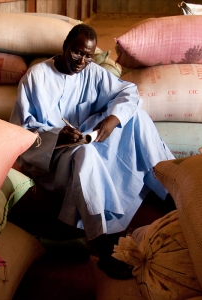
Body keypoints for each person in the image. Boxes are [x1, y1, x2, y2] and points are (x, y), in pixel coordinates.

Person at [10, 24, 175, 279]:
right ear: (66, 47)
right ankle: (102, 244)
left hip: (86, 138)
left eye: (88, 55)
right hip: (52, 156)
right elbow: (21, 132)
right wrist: (57, 135)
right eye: (77, 53)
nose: (82, 61)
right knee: (84, 155)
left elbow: (128, 92)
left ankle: (170, 192)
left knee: (137, 118)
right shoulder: (36, 78)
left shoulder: (94, 72)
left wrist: (112, 119)